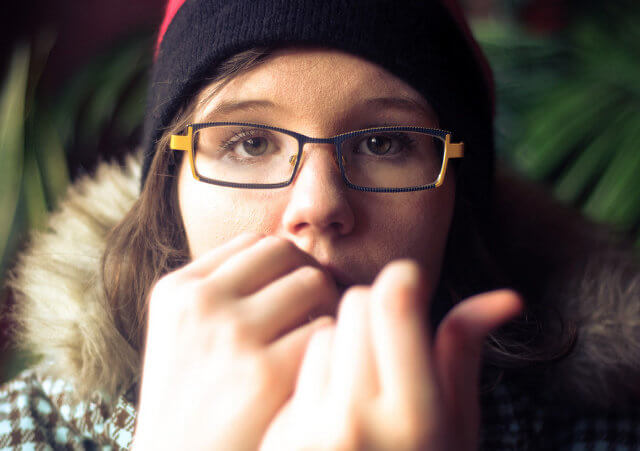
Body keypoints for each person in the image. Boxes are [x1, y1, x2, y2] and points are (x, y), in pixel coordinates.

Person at [2, 0, 640, 449]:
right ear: (170, 191)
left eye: (386, 142)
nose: (317, 205)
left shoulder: (603, 430)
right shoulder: (28, 427)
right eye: (249, 143)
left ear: (458, 201)